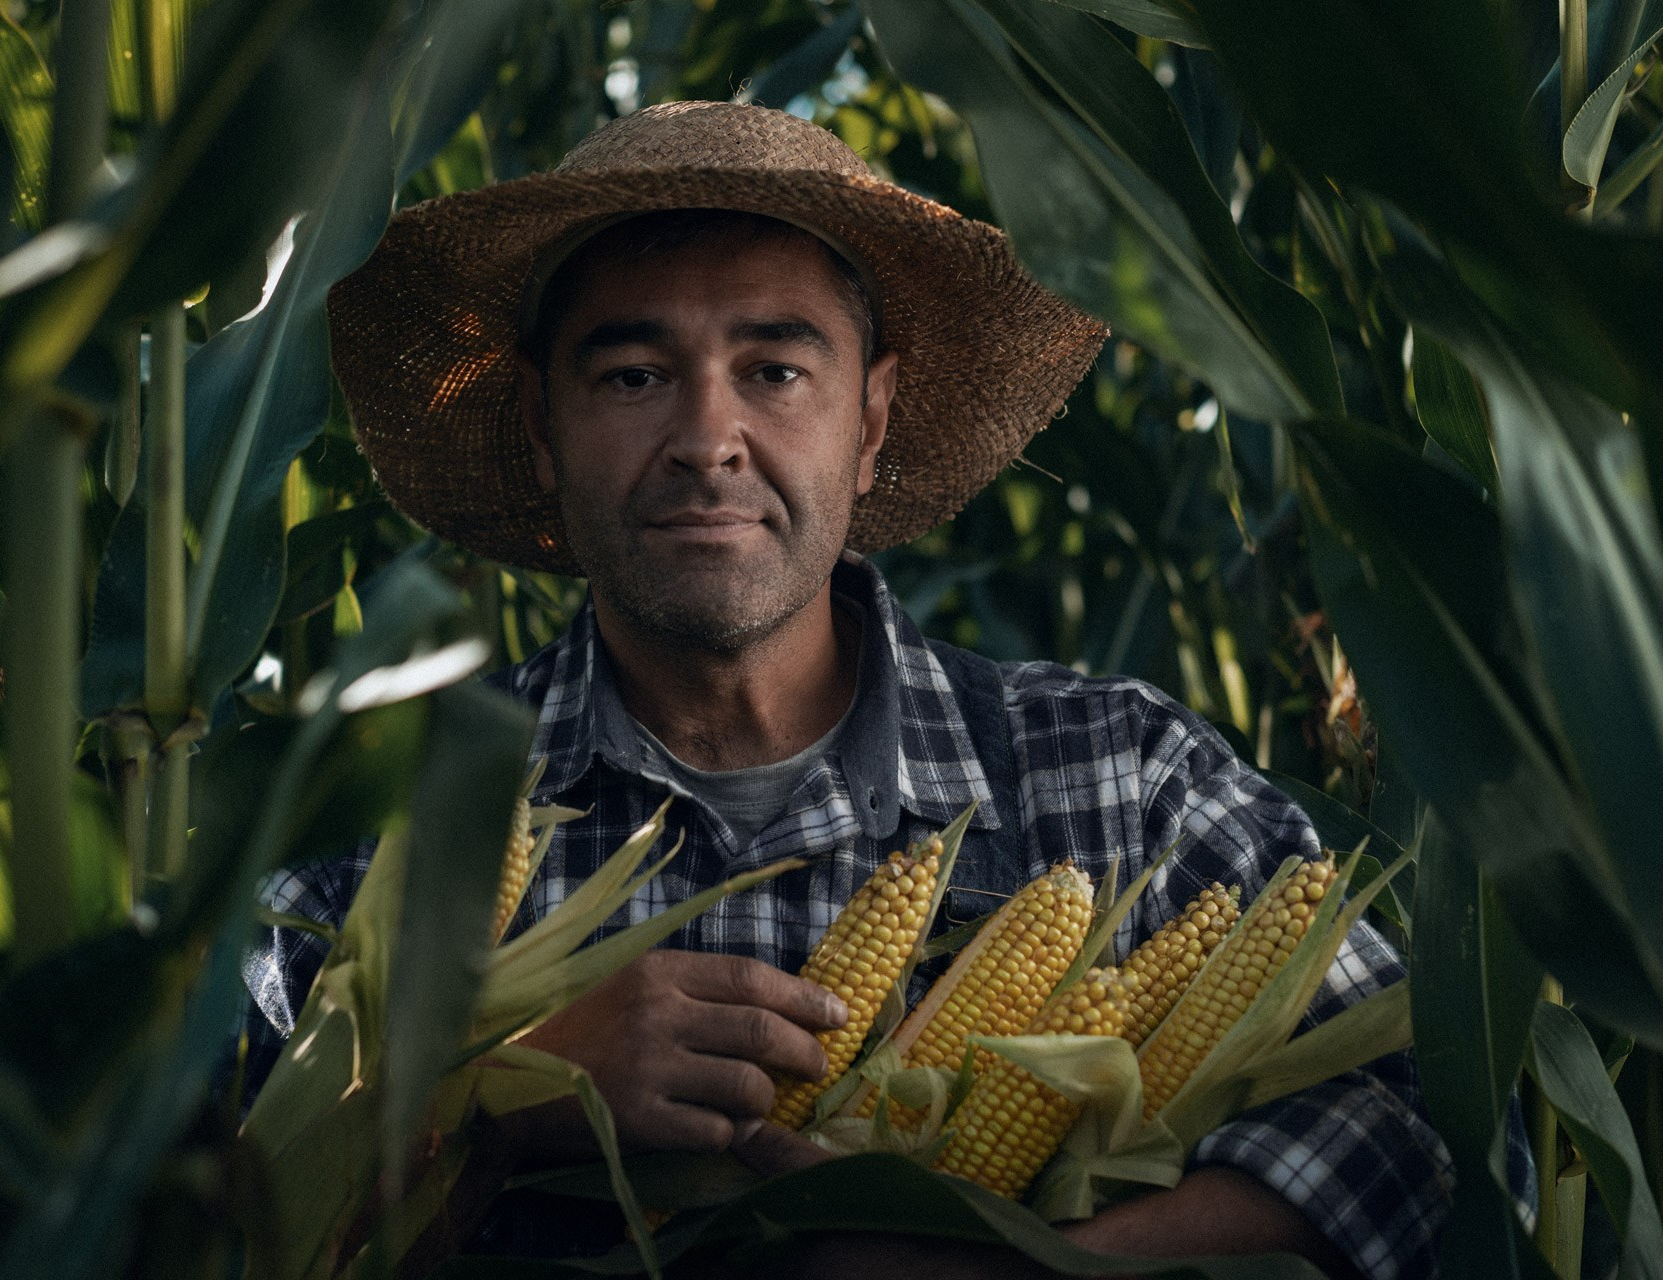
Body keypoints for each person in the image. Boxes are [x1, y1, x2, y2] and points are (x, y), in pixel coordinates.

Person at [243, 101, 1516, 1280]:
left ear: (875, 415)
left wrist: (1018, 1266)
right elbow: (181, 1206)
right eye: (632, 375)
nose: (707, 437)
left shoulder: (1122, 778)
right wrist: (498, 1097)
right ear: (539, 424)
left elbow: (1443, 1122)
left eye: (776, 370)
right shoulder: (380, 814)